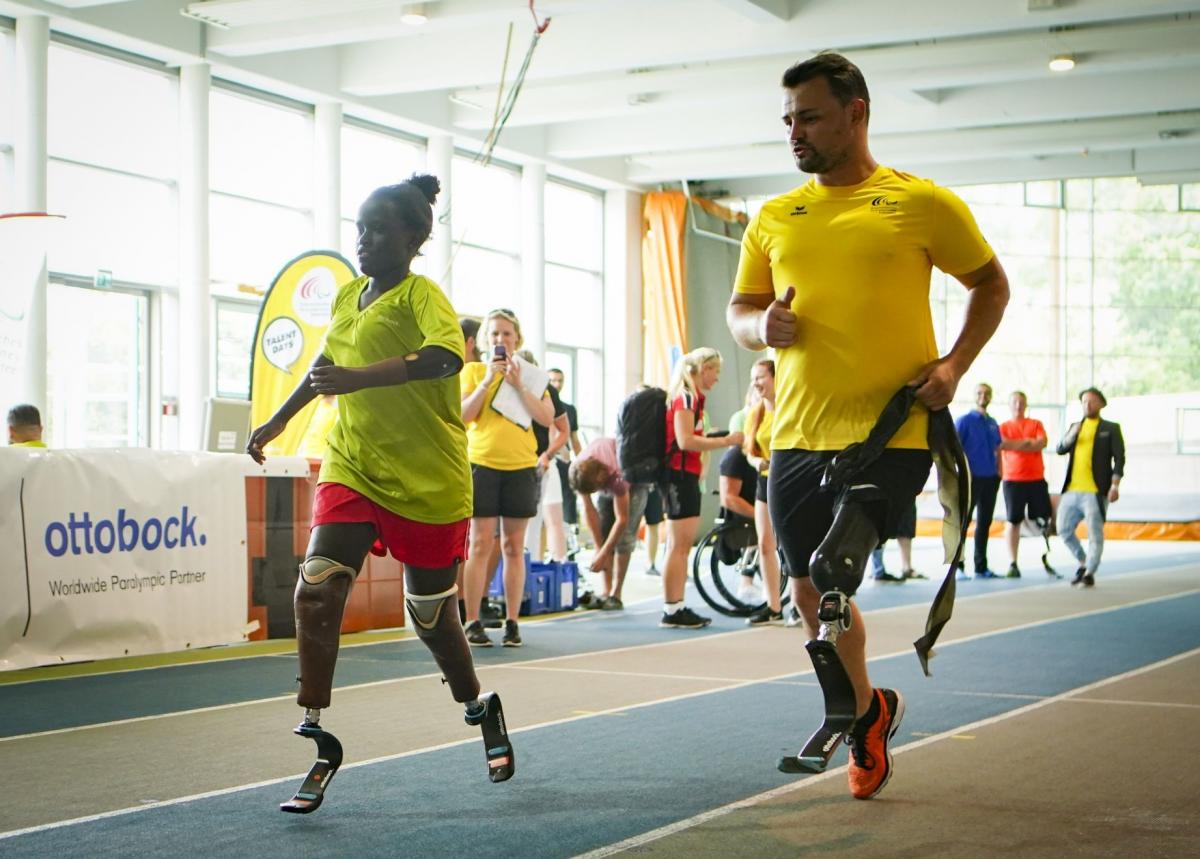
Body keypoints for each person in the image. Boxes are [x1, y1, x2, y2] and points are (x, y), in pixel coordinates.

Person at [726, 52, 1008, 800]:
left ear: (857, 113)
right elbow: (739, 311)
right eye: (788, 119)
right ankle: (868, 714)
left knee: (836, 570)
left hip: (893, 429)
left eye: (810, 116)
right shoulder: (775, 215)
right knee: (811, 597)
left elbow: (989, 282)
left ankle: (850, 714)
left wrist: (952, 365)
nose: (795, 132)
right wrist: (762, 326)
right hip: (796, 434)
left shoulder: (921, 204)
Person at [246, 175, 514, 812]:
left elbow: (444, 359)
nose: (363, 240)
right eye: (359, 227)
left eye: (377, 229)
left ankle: (479, 705)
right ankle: (317, 730)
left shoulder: (425, 296)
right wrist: (279, 420)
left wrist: (358, 379)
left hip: (428, 476)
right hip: (354, 462)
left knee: (430, 618)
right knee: (316, 588)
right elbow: (323, 373)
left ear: (413, 238)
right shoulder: (347, 298)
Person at [459, 309, 555, 647]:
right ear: (486, 339)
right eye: (495, 334)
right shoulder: (472, 371)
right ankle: (472, 620)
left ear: (518, 339)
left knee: (514, 546)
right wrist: (487, 381)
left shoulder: (529, 374)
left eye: (507, 334)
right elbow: (463, 415)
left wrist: (518, 386)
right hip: (482, 463)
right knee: (480, 543)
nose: (501, 340)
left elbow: (546, 418)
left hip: (520, 466)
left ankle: (512, 621)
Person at [659, 347, 744, 629]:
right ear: (702, 369)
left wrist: (712, 437)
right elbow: (685, 441)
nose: (717, 378)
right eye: (715, 371)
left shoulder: (692, 398)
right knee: (679, 545)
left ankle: (675, 605)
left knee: (679, 544)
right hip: (678, 475)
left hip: (683, 474)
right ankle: (673, 608)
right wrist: (725, 442)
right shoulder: (685, 397)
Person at [568, 437, 649, 609]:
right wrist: (599, 548)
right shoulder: (579, 472)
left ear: (601, 480)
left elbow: (622, 520)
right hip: (603, 473)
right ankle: (606, 591)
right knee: (604, 535)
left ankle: (616, 594)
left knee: (624, 538)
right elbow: (589, 510)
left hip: (635, 480)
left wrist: (604, 554)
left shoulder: (617, 476)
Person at [1056, 387, 1125, 587]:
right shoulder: (1075, 426)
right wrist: (1072, 435)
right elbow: (1061, 449)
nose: (1088, 405)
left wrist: (1114, 485)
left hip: (1095, 491)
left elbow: (1120, 458)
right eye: (1084, 401)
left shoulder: (1110, 428)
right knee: (1063, 528)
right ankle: (1083, 560)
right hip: (1071, 490)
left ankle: (1090, 571)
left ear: (1101, 404)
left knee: (1095, 533)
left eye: (1092, 401)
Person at [516, 350, 570, 564]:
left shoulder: (546, 391)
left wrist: (547, 455)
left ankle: (527, 579)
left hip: (536, 463)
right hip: (506, 461)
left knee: (533, 524)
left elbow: (563, 431)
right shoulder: (501, 386)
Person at [742, 359, 784, 625]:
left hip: (789, 481)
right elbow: (749, 450)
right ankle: (774, 606)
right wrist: (756, 461)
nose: (756, 383)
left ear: (775, 378)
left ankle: (805, 602)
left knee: (792, 546)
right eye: (753, 378)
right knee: (765, 544)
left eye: (761, 377)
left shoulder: (791, 409)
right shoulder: (756, 413)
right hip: (764, 481)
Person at [998, 390, 1058, 578]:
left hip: (1036, 478)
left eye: (1021, 402)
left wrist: (1017, 444)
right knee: (1013, 521)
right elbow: (1003, 445)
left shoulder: (1036, 424)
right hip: (1013, 480)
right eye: (1014, 402)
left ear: (1026, 404)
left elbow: (1041, 443)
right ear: (1010, 405)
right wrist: (1027, 443)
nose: (1018, 405)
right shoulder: (1004, 427)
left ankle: (1047, 554)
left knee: (1045, 517)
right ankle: (1013, 562)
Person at [955, 383, 1002, 578]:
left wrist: (998, 472)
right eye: (980, 393)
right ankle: (957, 567)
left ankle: (981, 566)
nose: (983, 396)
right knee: (963, 522)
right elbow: (954, 449)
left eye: (987, 393)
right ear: (974, 396)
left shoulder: (992, 423)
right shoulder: (964, 421)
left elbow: (997, 449)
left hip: (990, 479)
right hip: (970, 479)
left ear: (991, 397)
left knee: (984, 523)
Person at [717, 429, 762, 605]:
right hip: (741, 518)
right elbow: (728, 498)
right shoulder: (735, 457)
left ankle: (749, 583)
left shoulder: (758, 455)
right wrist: (759, 516)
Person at [547, 367, 582, 561]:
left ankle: (567, 552)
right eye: (553, 380)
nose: (557, 384)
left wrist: (581, 462)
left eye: (560, 380)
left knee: (567, 506)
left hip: (565, 464)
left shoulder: (569, 409)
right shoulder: (541, 402)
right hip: (547, 460)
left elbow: (574, 438)